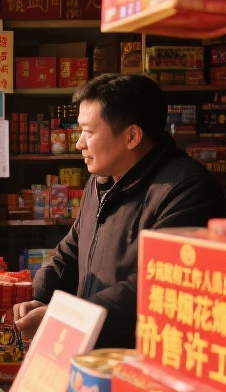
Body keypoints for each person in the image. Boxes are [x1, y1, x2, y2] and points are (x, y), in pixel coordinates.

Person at [13, 74, 226, 349]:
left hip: (141, 359)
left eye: (88, 132)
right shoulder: (100, 181)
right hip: (92, 352)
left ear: (132, 136)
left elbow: (152, 286)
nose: (79, 144)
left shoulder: (185, 190)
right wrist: (40, 296)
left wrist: (68, 318)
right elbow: (70, 252)